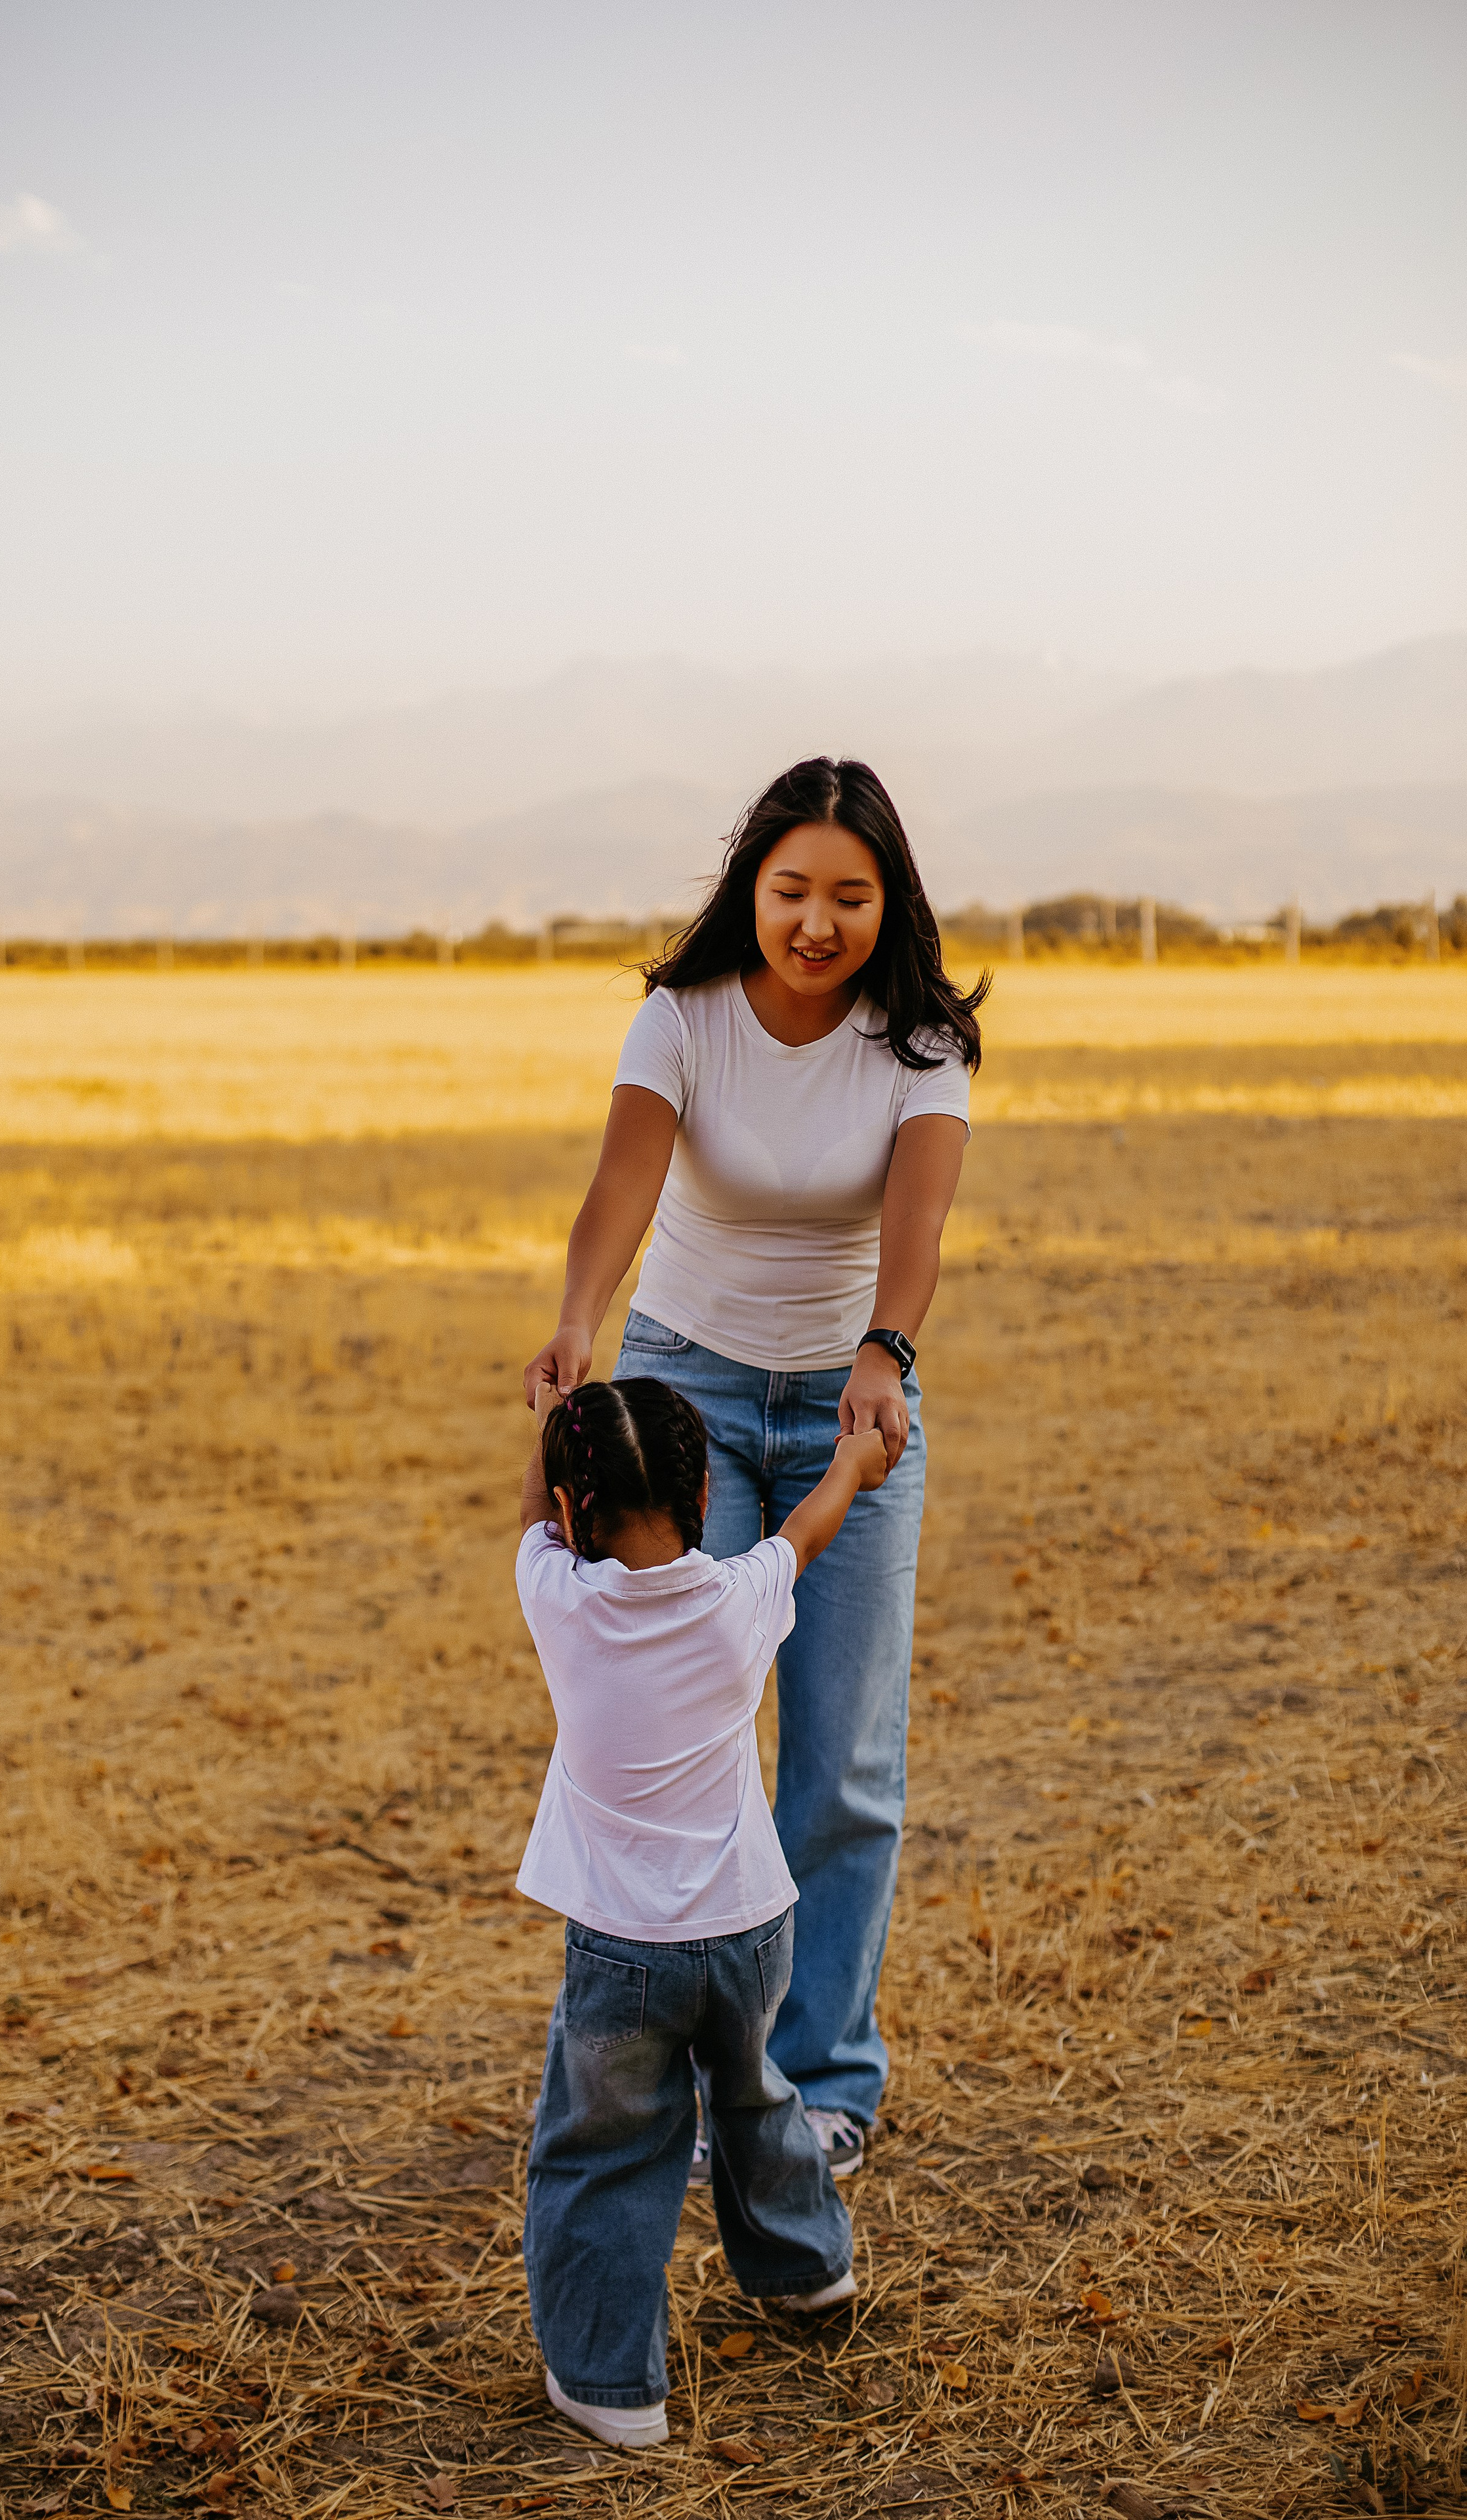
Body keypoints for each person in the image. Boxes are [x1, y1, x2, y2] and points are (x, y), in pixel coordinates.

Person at [524, 757, 983, 2181]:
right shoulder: (683, 1019)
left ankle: (820, 2080)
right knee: (685, 1734)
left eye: (849, 895)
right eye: (791, 891)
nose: (815, 922)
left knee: (842, 1762)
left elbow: (912, 1231)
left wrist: (882, 1349)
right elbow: (623, 1185)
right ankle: (666, 2052)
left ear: (885, 901)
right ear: (754, 890)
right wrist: (574, 1318)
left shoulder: (919, 1042)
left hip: (856, 1403)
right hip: (691, 1391)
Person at [516, 1374, 890, 2448]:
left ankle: (611, 2386)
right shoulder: (738, 1598)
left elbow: (533, 1516)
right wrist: (854, 1464)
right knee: (754, 2093)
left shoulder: (561, 1599)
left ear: (571, 1508)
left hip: (623, 1955)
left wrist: (550, 1413)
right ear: (707, 1488)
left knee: (607, 2149)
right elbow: (812, 1527)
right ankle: (809, 2264)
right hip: (748, 1932)